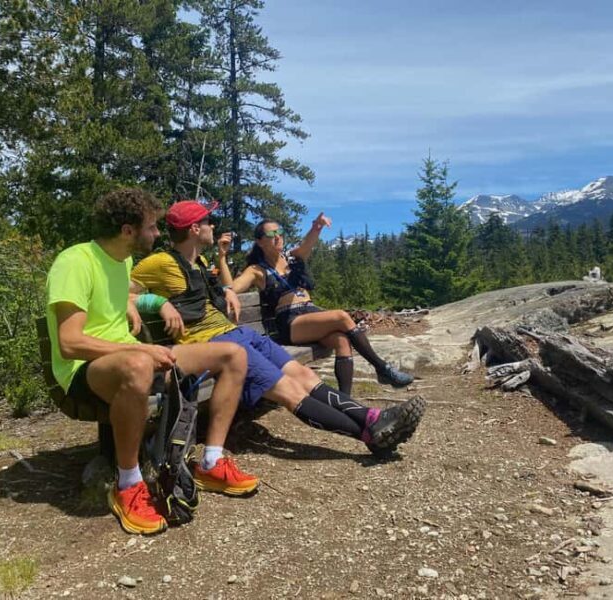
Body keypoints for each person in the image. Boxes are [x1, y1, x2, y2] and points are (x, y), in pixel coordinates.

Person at [130, 200, 425, 459]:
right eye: (208, 221)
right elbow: (119, 291)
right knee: (289, 391)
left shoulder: (200, 261)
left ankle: (372, 417)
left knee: (304, 376)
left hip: (241, 335)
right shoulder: (160, 262)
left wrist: (227, 291)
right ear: (195, 229)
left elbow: (223, 289)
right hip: (215, 345)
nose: (213, 225)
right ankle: (370, 434)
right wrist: (154, 302)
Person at [46, 188, 256, 536]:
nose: (158, 234)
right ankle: (127, 484)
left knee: (233, 354)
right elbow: (69, 343)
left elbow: (129, 293)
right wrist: (141, 351)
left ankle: (211, 461)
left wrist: (146, 302)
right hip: (83, 370)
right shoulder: (75, 261)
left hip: (127, 356)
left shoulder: (122, 262)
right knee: (139, 365)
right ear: (128, 230)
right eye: (152, 227)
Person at [221, 213, 414, 396]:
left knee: (341, 340)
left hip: (310, 314)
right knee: (341, 316)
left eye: (280, 232)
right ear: (260, 241)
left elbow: (307, 244)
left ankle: (345, 401)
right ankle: (382, 368)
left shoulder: (292, 257)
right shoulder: (257, 270)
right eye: (271, 234)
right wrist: (222, 258)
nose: (278, 237)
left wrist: (317, 227)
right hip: (289, 322)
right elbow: (232, 287)